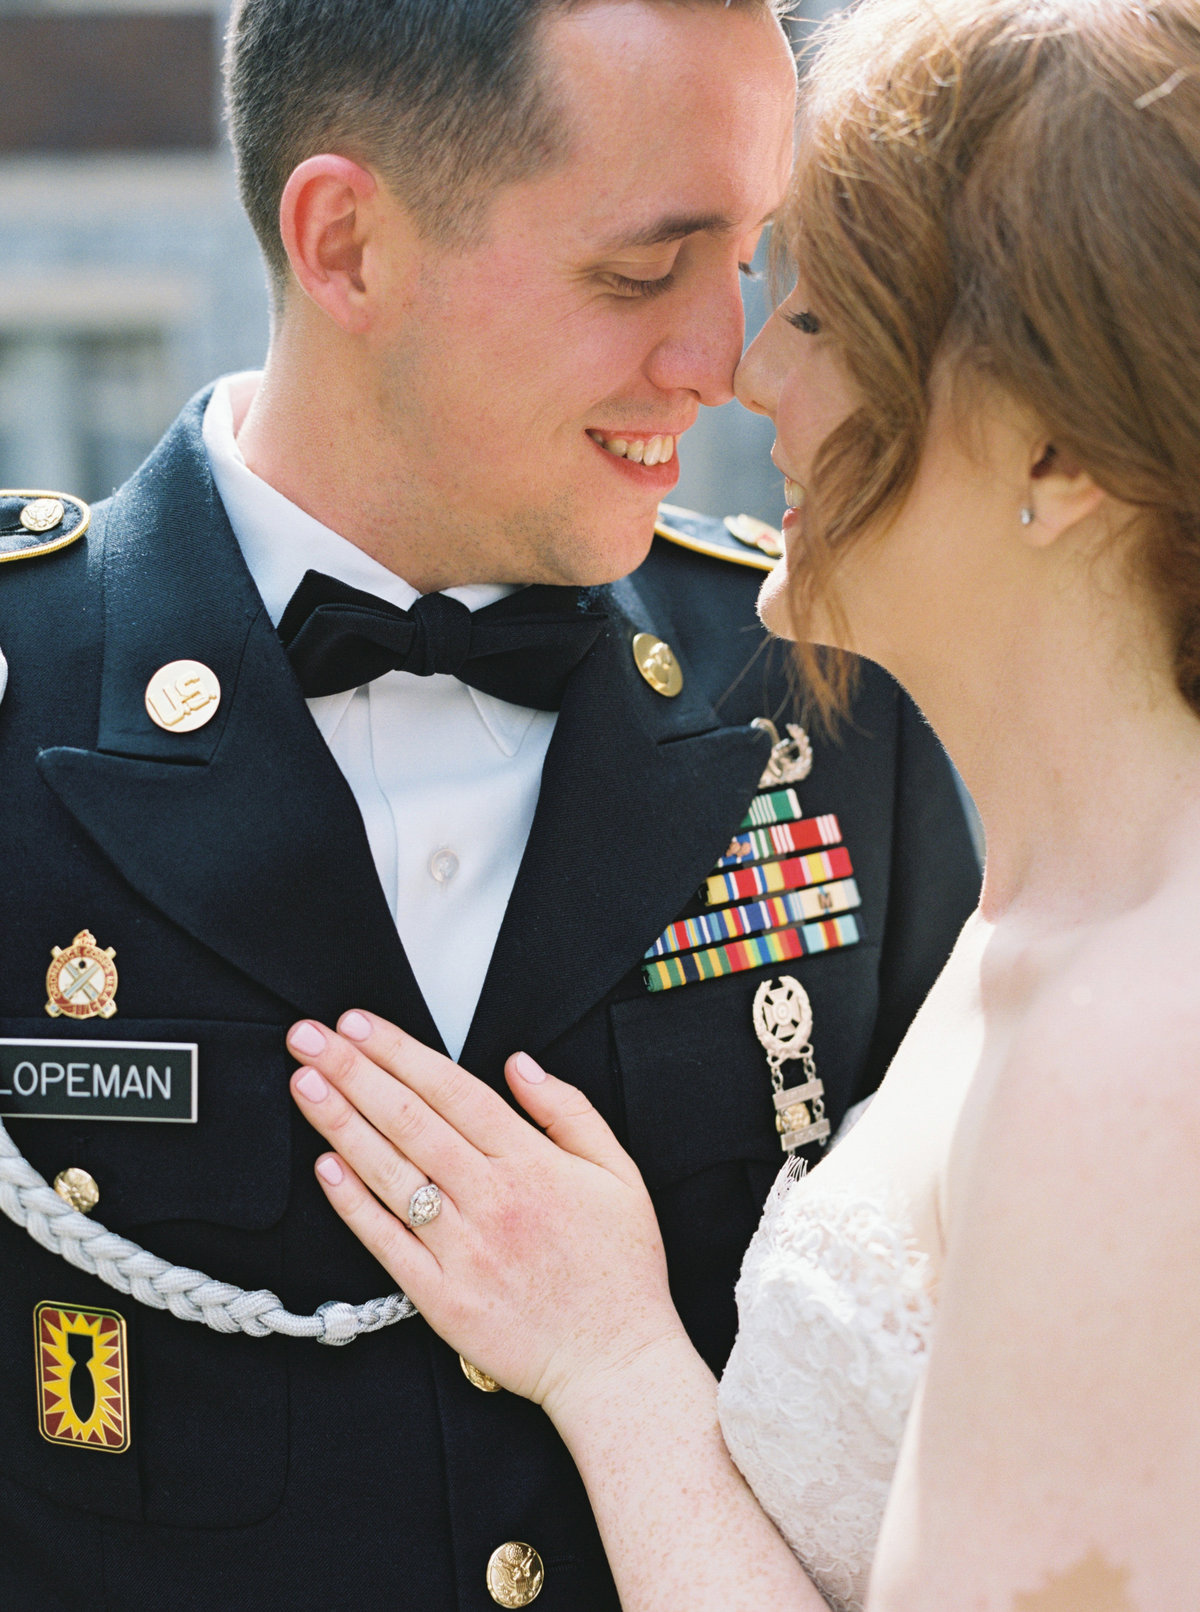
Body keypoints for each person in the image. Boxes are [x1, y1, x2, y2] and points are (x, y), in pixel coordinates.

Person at [0, 1, 978, 1606]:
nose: (725, 361)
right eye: (640, 270)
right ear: (348, 244)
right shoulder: (24, 691)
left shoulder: (829, 695)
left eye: (748, 258)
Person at [280, 0, 1200, 1607]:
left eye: (828, 319)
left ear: (1052, 447)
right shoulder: (1044, 917)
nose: (745, 369)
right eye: (649, 272)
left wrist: (619, 1367)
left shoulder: (1137, 1042)